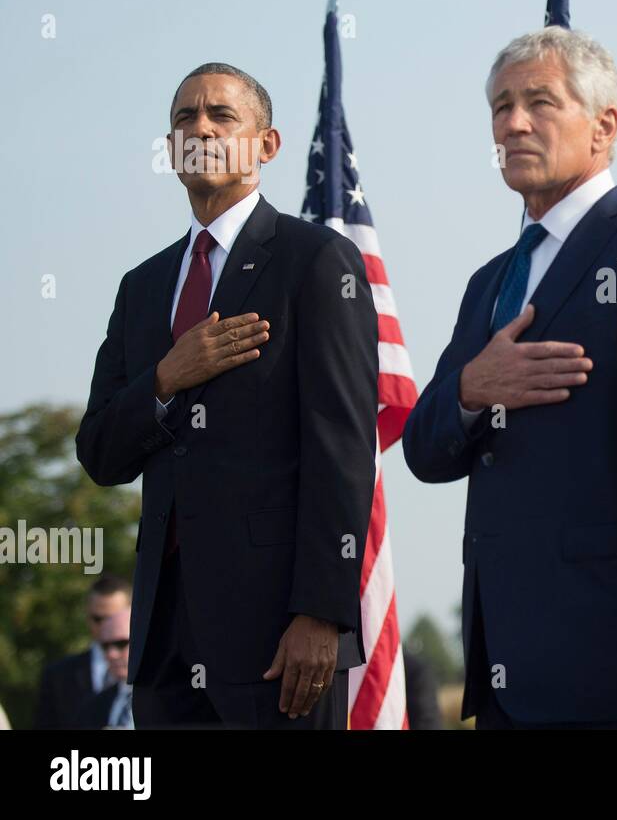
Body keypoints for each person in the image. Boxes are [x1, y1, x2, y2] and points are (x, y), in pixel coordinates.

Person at [402, 27, 617, 729]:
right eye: (500, 106)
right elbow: (425, 451)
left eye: (539, 102)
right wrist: (471, 388)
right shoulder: (487, 283)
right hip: (507, 672)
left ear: (604, 124)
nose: (513, 122)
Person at [76, 62, 378, 728]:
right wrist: (163, 378)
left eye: (220, 115)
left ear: (267, 145)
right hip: (163, 642)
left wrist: (321, 611)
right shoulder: (143, 286)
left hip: (277, 635)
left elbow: (344, 449)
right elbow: (99, 450)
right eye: (185, 117)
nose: (200, 127)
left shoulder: (315, 261)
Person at [34, 574, 131, 729]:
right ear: (87, 617)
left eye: (114, 618)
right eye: (98, 619)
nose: (106, 627)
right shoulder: (57, 676)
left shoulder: (157, 684)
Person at [78, 608, 134, 728]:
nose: (111, 654)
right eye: (105, 646)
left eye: (121, 644)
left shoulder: (168, 698)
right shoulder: (93, 706)